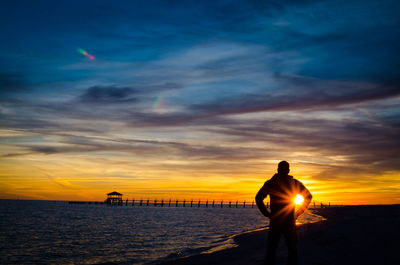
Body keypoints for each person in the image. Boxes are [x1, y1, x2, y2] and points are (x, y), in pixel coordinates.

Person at [255, 161, 312, 265]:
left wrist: (267, 213)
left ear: (277, 170)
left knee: (273, 250)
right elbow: (308, 196)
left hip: (277, 220)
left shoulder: (271, 183)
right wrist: (298, 212)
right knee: (291, 250)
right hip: (288, 220)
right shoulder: (293, 183)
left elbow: (258, 198)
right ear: (288, 170)